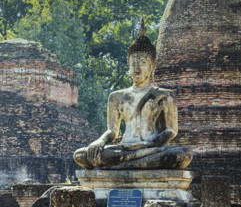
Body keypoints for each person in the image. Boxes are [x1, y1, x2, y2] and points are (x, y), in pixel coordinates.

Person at [74, 20, 192, 170]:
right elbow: (112, 131)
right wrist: (100, 141)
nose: (137, 69)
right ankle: (134, 162)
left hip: (151, 147)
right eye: (133, 64)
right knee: (81, 155)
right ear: (128, 66)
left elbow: (171, 130)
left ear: (152, 66)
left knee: (182, 155)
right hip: (125, 148)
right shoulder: (116, 96)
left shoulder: (165, 95)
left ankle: (123, 165)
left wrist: (151, 144)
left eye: (142, 63)